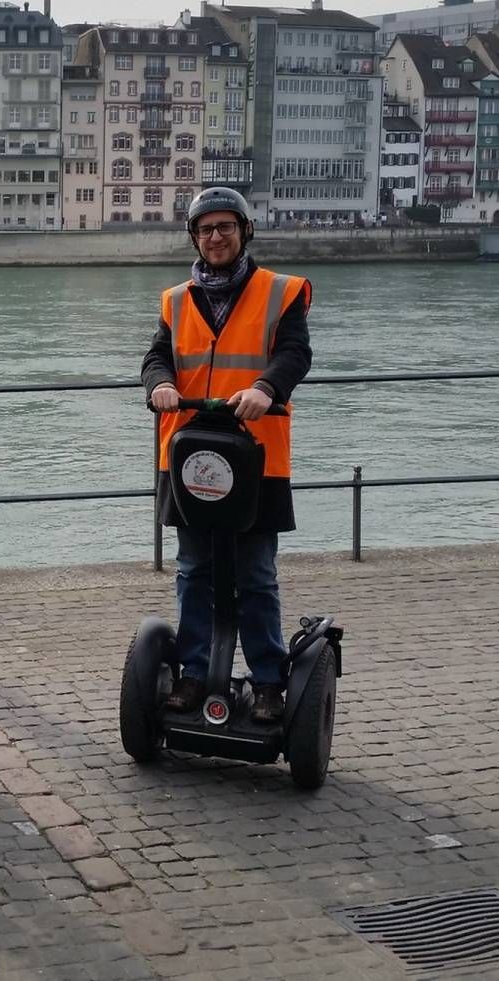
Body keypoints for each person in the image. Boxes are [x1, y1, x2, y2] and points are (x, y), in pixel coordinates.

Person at [142, 186, 312, 724]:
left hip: (256, 456)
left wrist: (267, 387)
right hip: (190, 458)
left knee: (255, 572)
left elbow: (295, 353)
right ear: (194, 237)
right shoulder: (175, 299)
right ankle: (194, 675)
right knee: (193, 570)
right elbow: (154, 356)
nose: (216, 237)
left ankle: (267, 681)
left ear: (244, 231)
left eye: (225, 227)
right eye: (205, 229)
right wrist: (160, 383)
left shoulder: (279, 292)